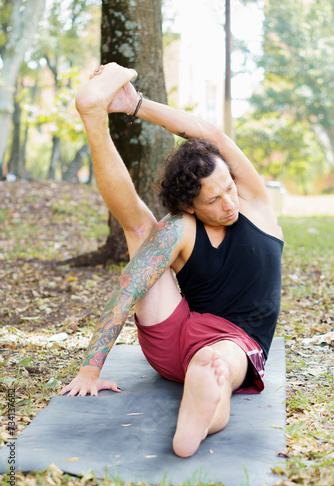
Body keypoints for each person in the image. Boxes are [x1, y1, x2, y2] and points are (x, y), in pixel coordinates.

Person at [60, 62, 284, 458]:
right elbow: (131, 285)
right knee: (142, 232)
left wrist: (136, 104)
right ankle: (92, 117)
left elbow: (209, 134)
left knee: (216, 362)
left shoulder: (257, 203)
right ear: (190, 205)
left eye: (229, 187)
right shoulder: (180, 228)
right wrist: (90, 369)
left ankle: (200, 412)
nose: (229, 202)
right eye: (213, 200)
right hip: (174, 335)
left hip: (234, 342)